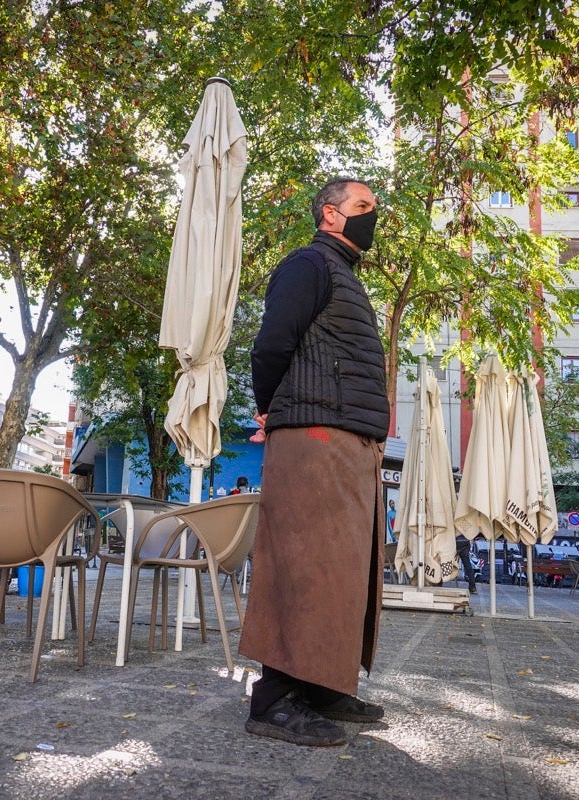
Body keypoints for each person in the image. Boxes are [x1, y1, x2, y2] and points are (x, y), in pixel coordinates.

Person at [238, 177, 390, 747]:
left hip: (345, 437)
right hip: (314, 435)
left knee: (342, 572)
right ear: (330, 215)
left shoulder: (343, 275)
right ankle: (273, 700)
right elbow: (272, 343)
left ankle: (320, 685)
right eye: (362, 207)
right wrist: (271, 410)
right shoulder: (308, 265)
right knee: (301, 563)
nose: (372, 216)